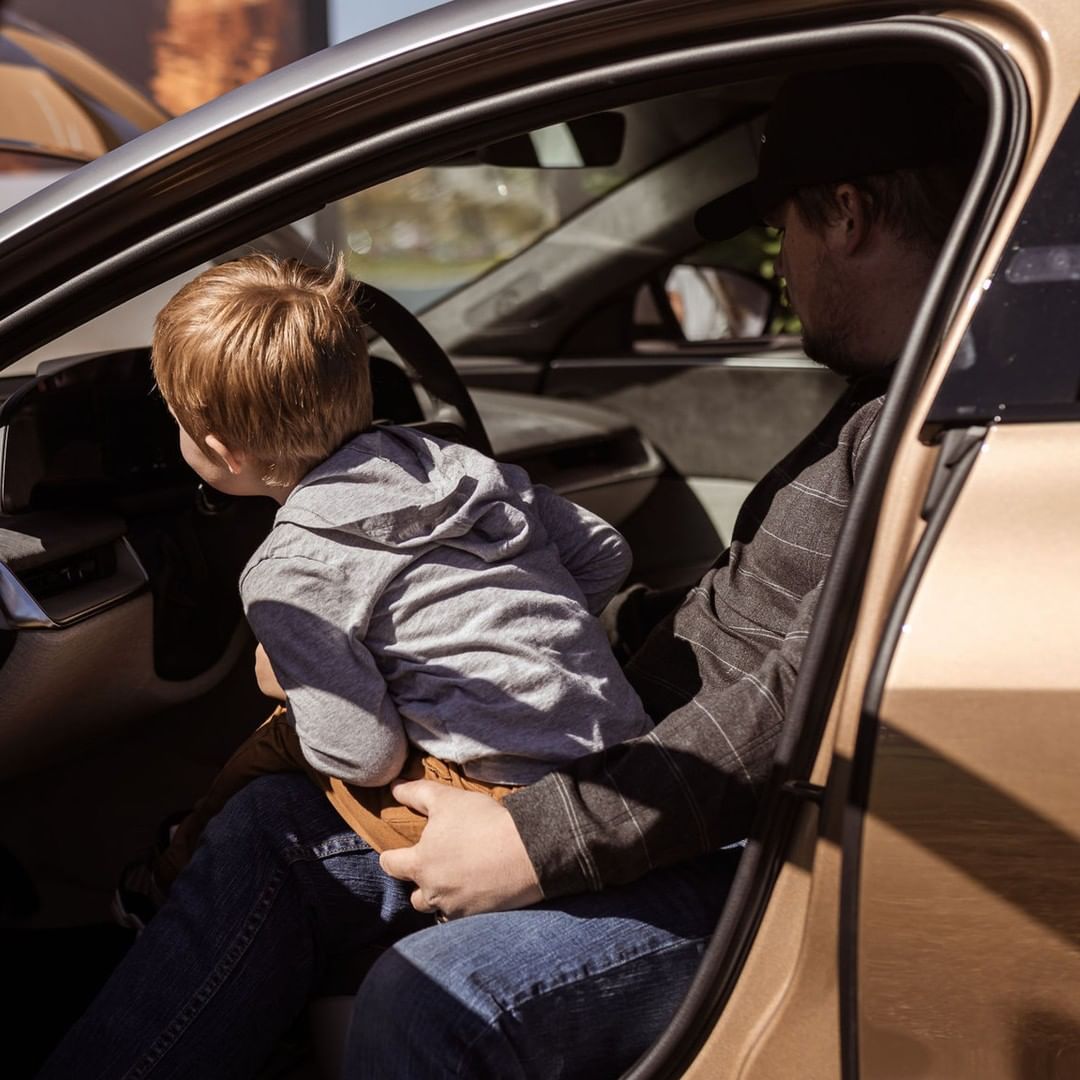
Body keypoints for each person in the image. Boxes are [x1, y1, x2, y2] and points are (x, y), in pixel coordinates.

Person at [37, 63, 981, 1080]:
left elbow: (824, 695)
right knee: (272, 825)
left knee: (438, 998)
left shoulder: (949, 429)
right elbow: (734, 621)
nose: (783, 264)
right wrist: (541, 630)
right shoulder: (887, 402)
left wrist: (540, 838)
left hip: (775, 855)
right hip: (673, 787)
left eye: (785, 227)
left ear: (845, 212)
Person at [121, 252, 652, 917]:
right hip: (625, 764)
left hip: (509, 812)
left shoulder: (288, 570)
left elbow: (367, 758)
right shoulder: (455, 464)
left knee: (286, 731)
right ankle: (181, 856)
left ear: (224, 452)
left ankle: (167, 878)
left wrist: (297, 679)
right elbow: (606, 552)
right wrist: (523, 635)